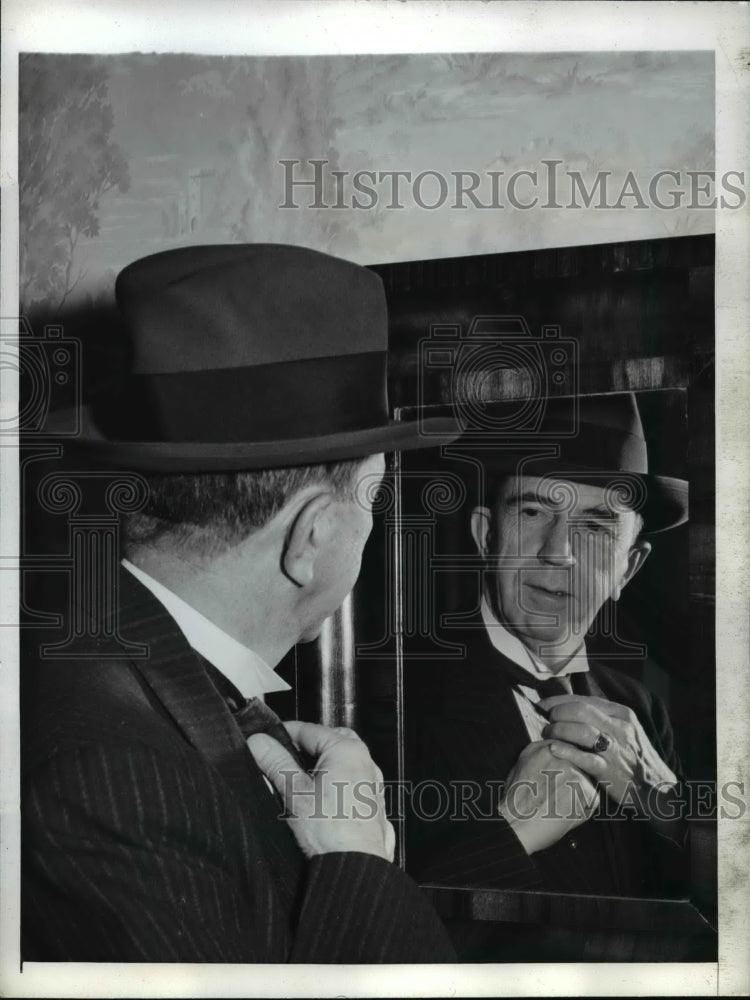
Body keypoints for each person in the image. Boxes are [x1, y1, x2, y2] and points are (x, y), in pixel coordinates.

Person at [21, 244, 460, 963]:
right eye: (373, 497)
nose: (374, 523)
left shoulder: (125, 670)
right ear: (311, 536)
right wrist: (357, 868)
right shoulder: (106, 782)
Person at [405, 393, 690, 919]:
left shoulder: (644, 712)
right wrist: (509, 837)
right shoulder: (389, 698)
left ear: (628, 569)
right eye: (535, 511)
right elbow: (364, 929)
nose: (557, 551)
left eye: (597, 527)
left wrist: (663, 805)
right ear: (486, 535)